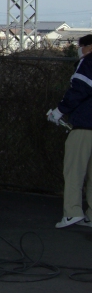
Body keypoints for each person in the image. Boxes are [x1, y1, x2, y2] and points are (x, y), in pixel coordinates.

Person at [47, 34, 92, 228]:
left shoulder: (88, 63)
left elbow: (79, 90)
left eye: (80, 46)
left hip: (84, 125)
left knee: (74, 170)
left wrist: (59, 111)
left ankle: (72, 211)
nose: (78, 50)